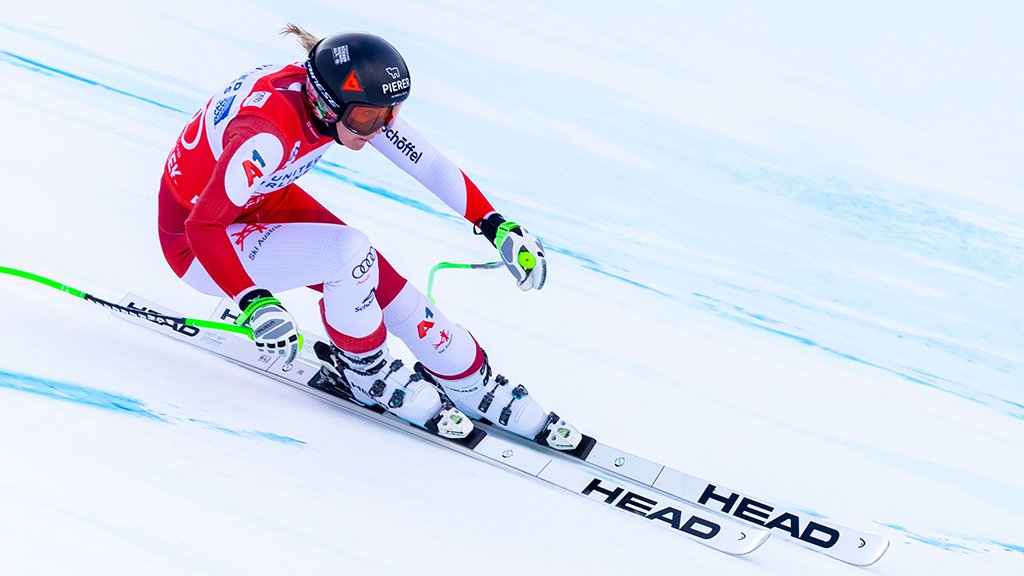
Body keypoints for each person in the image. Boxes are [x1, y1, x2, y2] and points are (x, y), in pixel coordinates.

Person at [157, 24, 582, 449]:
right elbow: (202, 227)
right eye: (368, 118)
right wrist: (254, 300)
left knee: (372, 273)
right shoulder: (266, 135)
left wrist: (492, 222)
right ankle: (365, 372)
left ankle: (467, 376)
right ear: (327, 106)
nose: (381, 127)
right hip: (198, 244)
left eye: (390, 114)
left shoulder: (341, 104)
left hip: (258, 199)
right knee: (350, 254)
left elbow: (426, 163)